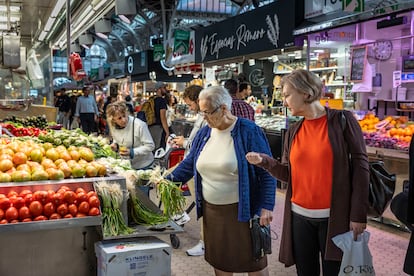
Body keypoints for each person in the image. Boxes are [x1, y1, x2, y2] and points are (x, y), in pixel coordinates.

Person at [245, 69, 369, 276]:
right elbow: (287, 174)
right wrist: (265, 162)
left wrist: (358, 214)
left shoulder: (342, 121)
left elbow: (361, 169)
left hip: (334, 218)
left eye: (286, 95)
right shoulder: (294, 130)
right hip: (299, 217)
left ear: (305, 92)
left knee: (335, 271)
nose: (284, 101)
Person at [165, 85, 276, 275]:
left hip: (244, 211)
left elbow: (267, 171)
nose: (204, 118)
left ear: (224, 108)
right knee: (220, 263)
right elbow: (190, 164)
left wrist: (267, 206)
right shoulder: (205, 133)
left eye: (207, 113)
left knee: (253, 263)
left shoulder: (248, 131)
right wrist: (165, 180)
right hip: (212, 212)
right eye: (202, 113)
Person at [170, 85, 208, 256]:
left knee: (202, 205)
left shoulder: (208, 119)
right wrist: (184, 141)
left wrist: (184, 143)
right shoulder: (202, 116)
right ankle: (179, 214)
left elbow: (200, 144)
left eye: (191, 104)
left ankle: (205, 242)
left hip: (198, 167)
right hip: (190, 162)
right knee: (166, 180)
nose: (190, 108)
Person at [106, 101, 155, 170]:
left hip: (143, 165)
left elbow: (150, 146)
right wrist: (115, 144)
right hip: (127, 165)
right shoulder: (113, 126)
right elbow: (118, 138)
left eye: (124, 116)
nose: (124, 120)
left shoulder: (139, 125)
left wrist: (132, 152)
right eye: (119, 118)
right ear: (113, 120)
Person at [148, 82, 169, 150]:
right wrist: (167, 132)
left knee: (152, 148)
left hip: (150, 128)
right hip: (158, 129)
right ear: (159, 89)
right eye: (164, 88)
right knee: (159, 149)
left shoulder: (151, 99)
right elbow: (163, 117)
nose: (166, 89)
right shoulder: (162, 101)